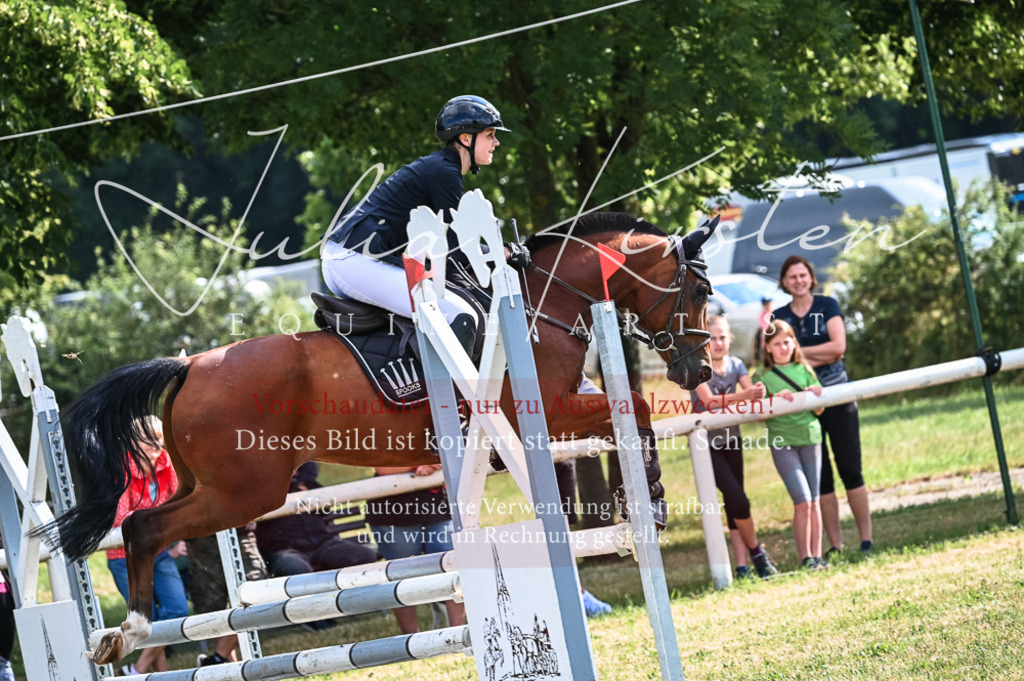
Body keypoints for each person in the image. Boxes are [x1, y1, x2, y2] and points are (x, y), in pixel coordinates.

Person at [320, 95, 523, 351]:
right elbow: (456, 251)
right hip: (355, 261)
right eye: (490, 134)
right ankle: (446, 391)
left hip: (350, 259)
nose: (496, 142)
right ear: (466, 138)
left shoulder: (440, 167)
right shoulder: (444, 173)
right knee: (459, 314)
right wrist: (503, 252)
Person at [771, 255, 873, 556]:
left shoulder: (828, 305)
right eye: (792, 277)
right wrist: (817, 354)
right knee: (822, 477)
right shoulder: (779, 316)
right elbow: (776, 358)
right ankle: (835, 545)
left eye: (803, 275)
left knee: (850, 468)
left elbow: (838, 348)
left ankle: (866, 539)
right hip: (803, 404)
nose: (799, 281)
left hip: (837, 395)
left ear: (811, 277)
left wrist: (798, 354)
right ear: (784, 282)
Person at [690, 316, 777, 580]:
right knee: (739, 499)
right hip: (706, 446)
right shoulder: (695, 367)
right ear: (704, 341)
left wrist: (763, 394)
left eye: (722, 337)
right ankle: (758, 554)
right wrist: (744, 396)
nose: (717, 343)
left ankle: (742, 567)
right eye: (712, 338)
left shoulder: (737, 364)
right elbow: (709, 402)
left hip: (732, 440)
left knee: (734, 503)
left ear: (730, 339)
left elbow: (753, 394)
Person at [107, 417, 190, 676]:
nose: (156, 443)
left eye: (158, 436)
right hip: (125, 557)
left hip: (159, 550)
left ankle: (137, 668)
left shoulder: (167, 464)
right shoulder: (121, 471)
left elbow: (178, 505)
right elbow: (122, 520)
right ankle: (156, 674)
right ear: (133, 442)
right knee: (146, 620)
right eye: (148, 438)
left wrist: (175, 541)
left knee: (177, 610)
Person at [365, 465, 465, 634]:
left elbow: (452, 454)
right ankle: (412, 640)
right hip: (393, 513)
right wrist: (417, 465)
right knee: (400, 579)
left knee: (454, 570)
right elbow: (383, 468)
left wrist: (433, 463)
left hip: (439, 506)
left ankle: (459, 635)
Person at [759, 320, 826, 570]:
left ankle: (817, 556)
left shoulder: (805, 369)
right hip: (783, 443)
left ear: (794, 342)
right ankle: (805, 557)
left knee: (815, 500)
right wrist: (773, 400)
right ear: (768, 348)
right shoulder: (762, 377)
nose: (783, 347)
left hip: (810, 437)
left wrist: (813, 394)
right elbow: (760, 413)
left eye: (787, 341)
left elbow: (820, 410)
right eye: (777, 343)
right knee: (803, 500)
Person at [255, 463, 379, 584]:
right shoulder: (259, 492)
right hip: (285, 549)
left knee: (363, 555)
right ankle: (314, 603)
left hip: (322, 544)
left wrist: (303, 488)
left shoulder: (305, 483)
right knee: (292, 566)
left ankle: (355, 599)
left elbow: (325, 510)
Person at [185, 524, 268, 667]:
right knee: (210, 609)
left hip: (240, 532)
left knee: (255, 597)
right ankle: (231, 667)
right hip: (199, 537)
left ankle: (217, 660)